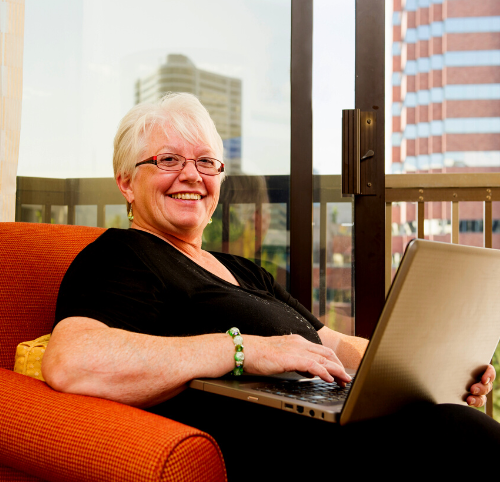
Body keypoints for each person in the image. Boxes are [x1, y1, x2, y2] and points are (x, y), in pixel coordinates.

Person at [42, 92, 499, 479]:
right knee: (460, 435)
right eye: (168, 159)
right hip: (283, 454)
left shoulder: (245, 271)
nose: (192, 175)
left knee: (456, 424)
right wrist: (244, 350)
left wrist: (430, 372)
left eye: (206, 162)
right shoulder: (123, 255)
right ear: (126, 182)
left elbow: (332, 345)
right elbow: (72, 361)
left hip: (337, 426)